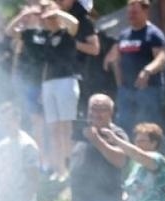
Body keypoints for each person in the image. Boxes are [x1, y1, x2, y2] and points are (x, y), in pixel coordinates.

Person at [7, 0, 97, 179]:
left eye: (47, 9)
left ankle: (70, 167)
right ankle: (59, 169)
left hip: (66, 81)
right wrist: (26, 16)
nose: (45, 14)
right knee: (54, 128)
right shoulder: (43, 35)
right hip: (49, 84)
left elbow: (75, 24)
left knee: (66, 127)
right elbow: (11, 33)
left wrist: (56, 13)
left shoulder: (67, 32)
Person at [109, 0, 165, 136]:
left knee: (146, 127)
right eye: (129, 12)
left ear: (145, 11)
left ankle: (148, 154)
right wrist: (119, 83)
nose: (131, 15)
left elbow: (161, 58)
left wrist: (147, 71)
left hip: (148, 89)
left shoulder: (154, 34)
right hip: (125, 90)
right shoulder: (124, 35)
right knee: (123, 125)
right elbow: (116, 59)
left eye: (135, 12)